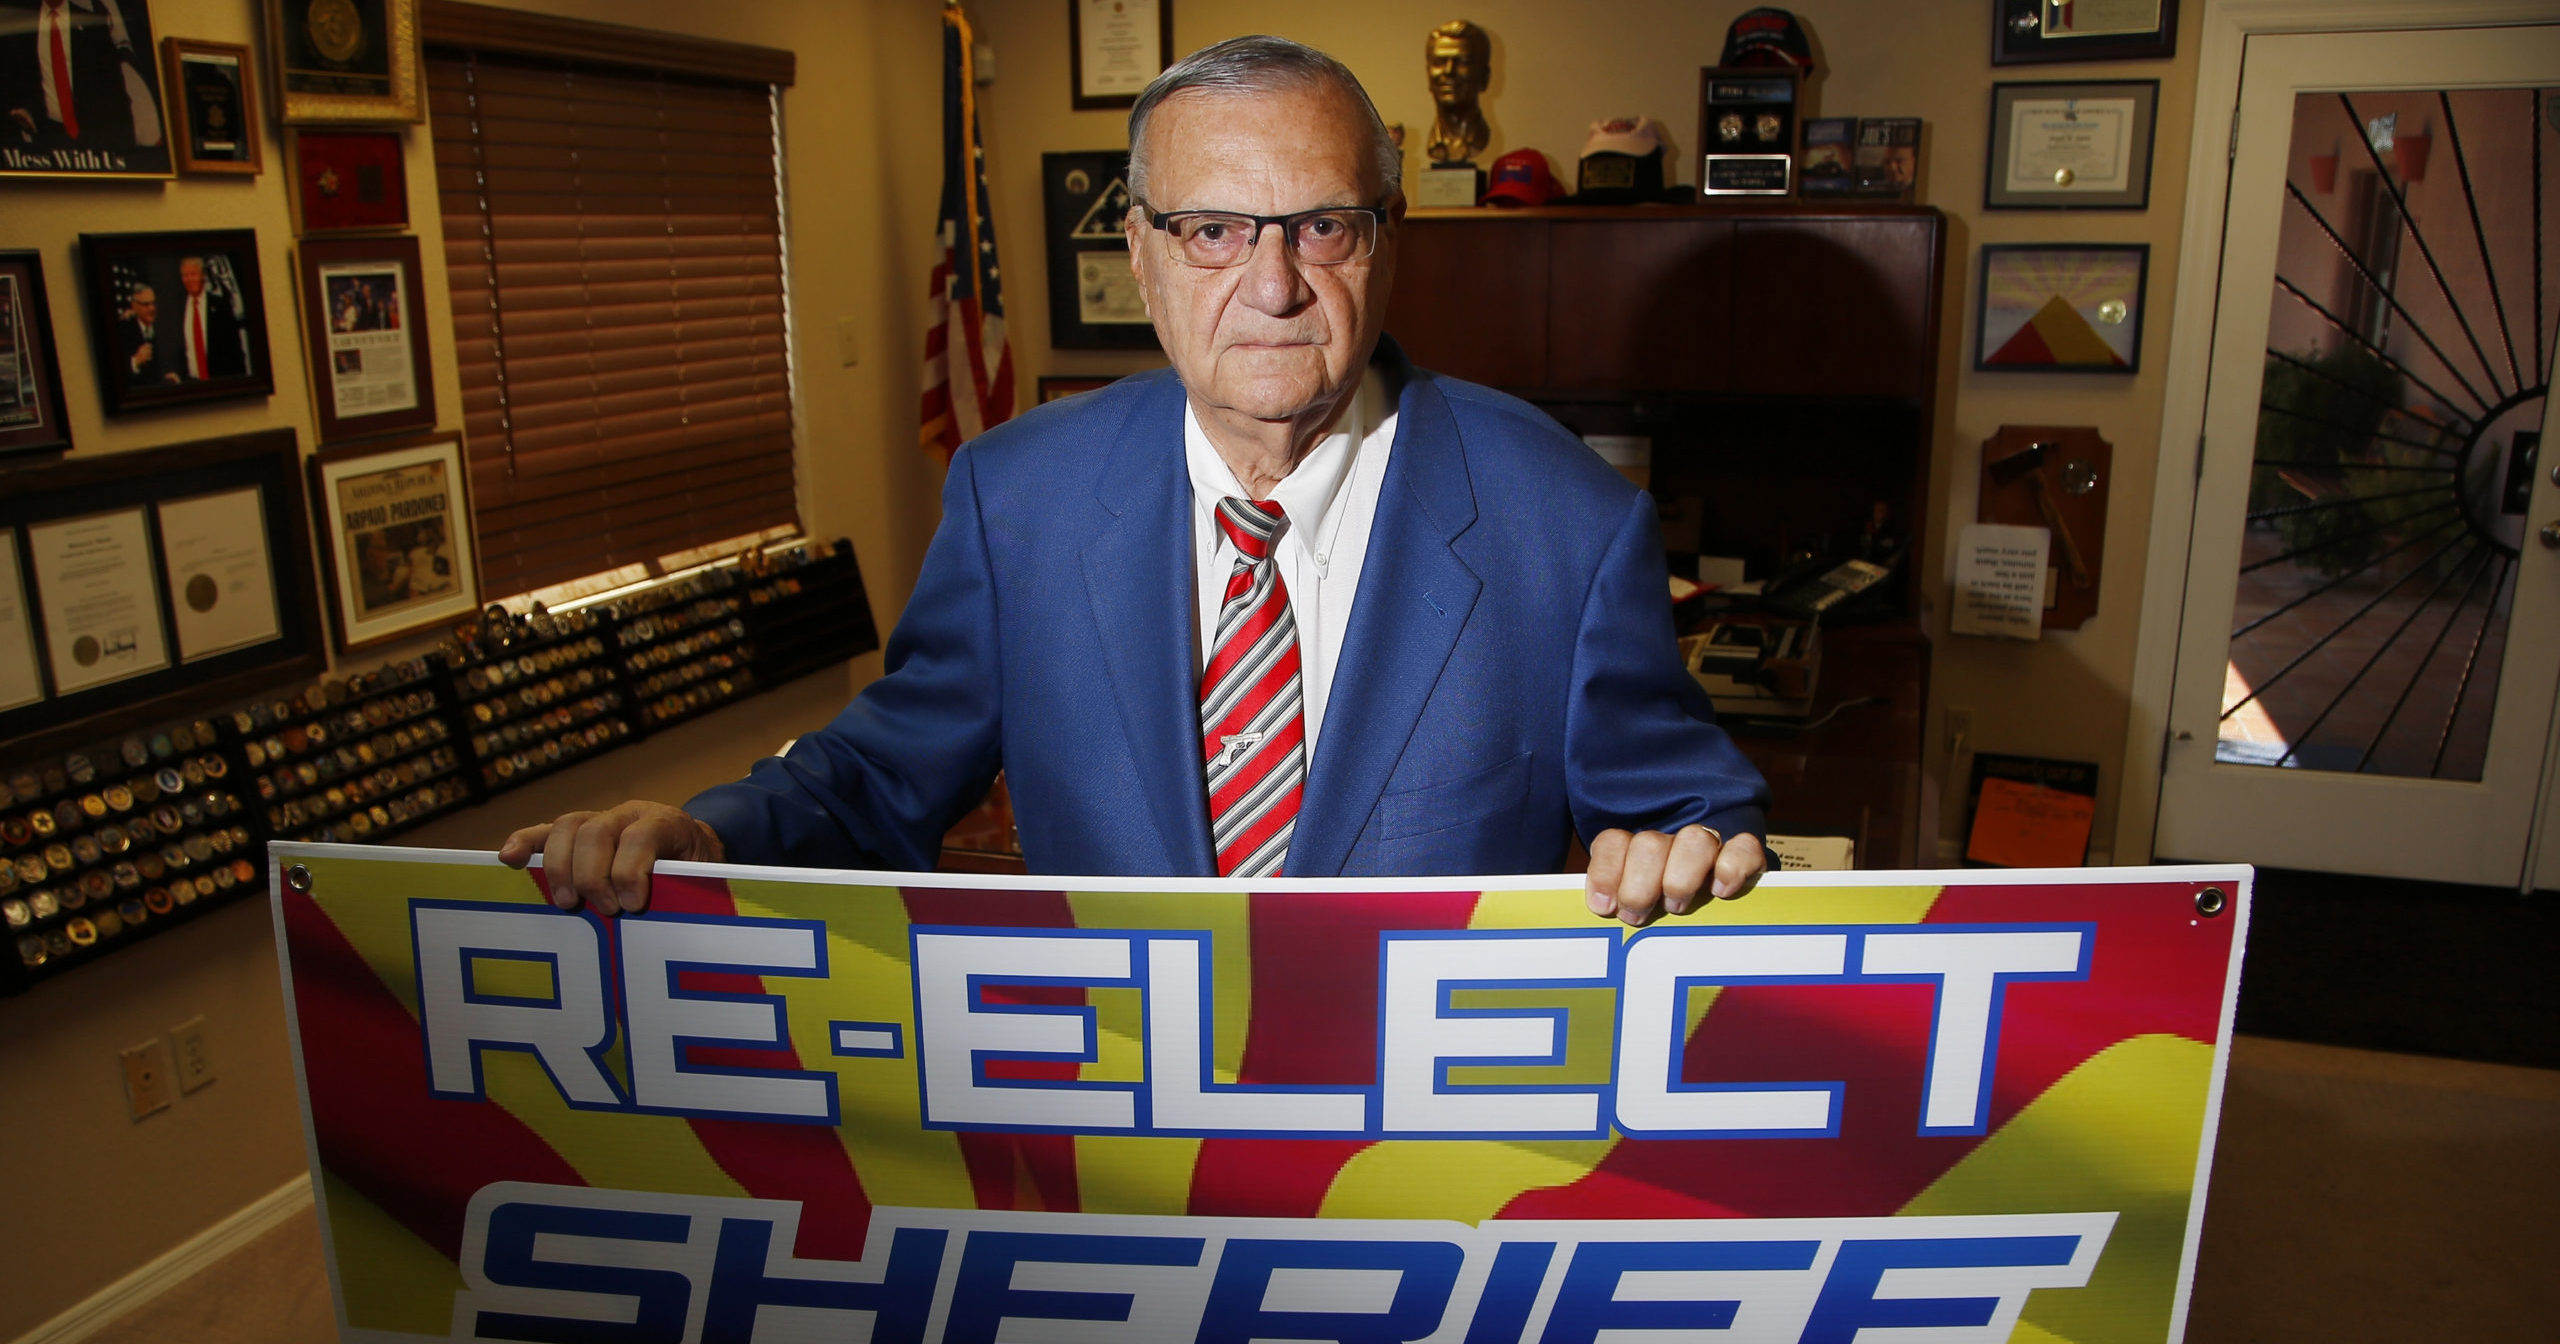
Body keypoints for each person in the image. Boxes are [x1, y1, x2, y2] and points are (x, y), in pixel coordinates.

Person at [503, 35, 1768, 926]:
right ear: (1142, 255)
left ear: (1387, 243)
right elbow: (883, 776)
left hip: (1417, 1152)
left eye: (1322, 225)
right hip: (1122, 1153)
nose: (1270, 287)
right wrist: (708, 832)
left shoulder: (1564, 520)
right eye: (1213, 231)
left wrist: (1689, 841)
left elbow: (1680, 799)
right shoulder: (1020, 500)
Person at [1, 0, 156, 153]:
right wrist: (26, 109)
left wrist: (124, 154)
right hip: (43, 136)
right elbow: (16, 80)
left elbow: (114, 91)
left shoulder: (92, 24)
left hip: (90, 138)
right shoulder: (20, 20)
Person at [1422, 19, 1489, 165]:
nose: (1448, 71)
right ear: (1428, 74)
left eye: (1462, 62)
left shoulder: (1479, 140)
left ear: (1484, 76)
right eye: (1439, 62)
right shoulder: (1433, 143)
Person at [172, 254, 247, 381]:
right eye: (185, 275)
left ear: (203, 276)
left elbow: (235, 351)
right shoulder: (178, 310)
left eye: (193, 274)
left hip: (220, 381)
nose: (189, 279)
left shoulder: (221, 305)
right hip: (191, 383)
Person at [115, 281, 172, 386]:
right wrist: (136, 361)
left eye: (153, 303)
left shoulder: (164, 326)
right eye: (146, 304)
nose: (152, 308)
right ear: (134, 306)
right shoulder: (123, 330)